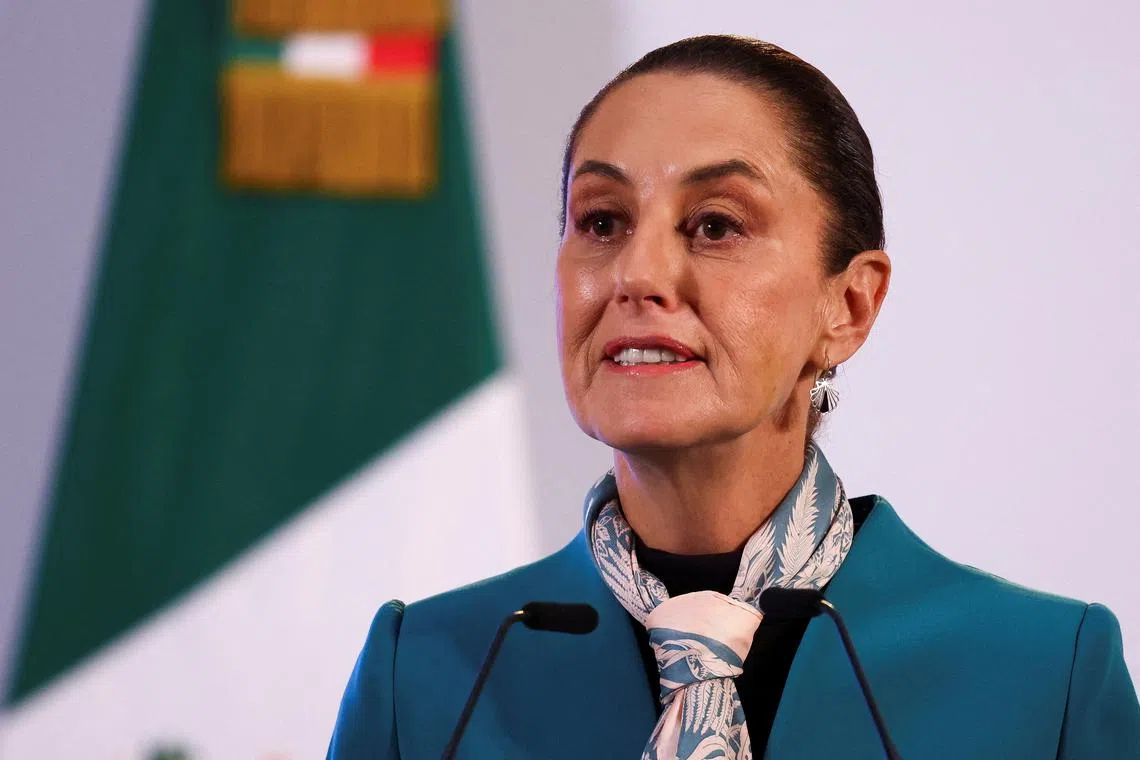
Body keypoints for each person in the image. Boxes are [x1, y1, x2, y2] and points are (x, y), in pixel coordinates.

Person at [326, 35, 1140, 759]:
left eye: (715, 225)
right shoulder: (427, 673)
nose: (636, 275)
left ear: (848, 307)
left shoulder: (1043, 675)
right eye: (602, 221)